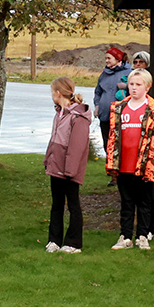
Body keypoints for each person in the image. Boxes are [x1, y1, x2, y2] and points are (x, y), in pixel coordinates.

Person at [105, 69, 154, 250]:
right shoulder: (119, 108)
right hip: (124, 164)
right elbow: (112, 137)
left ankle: (142, 235)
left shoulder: (153, 111)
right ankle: (125, 236)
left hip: (145, 165)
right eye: (131, 84)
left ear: (147, 87)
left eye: (138, 85)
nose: (134, 88)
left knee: (145, 202)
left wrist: (153, 165)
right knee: (126, 202)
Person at [42, 79, 90, 253]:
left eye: (52, 91)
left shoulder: (78, 117)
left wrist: (69, 170)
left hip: (70, 169)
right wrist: (48, 160)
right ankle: (54, 240)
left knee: (73, 204)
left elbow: (77, 146)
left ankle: (73, 242)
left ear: (58, 93)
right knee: (57, 204)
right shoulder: (59, 113)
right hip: (56, 166)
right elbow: (54, 140)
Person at [92, 47, 129, 157]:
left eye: (109, 58)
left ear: (118, 59)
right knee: (107, 143)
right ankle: (110, 167)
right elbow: (98, 92)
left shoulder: (129, 72)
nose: (106, 61)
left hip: (120, 116)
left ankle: (119, 170)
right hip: (104, 115)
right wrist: (97, 106)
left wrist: (126, 87)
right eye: (106, 58)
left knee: (118, 143)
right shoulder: (104, 73)